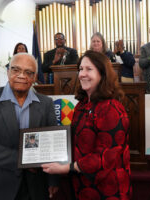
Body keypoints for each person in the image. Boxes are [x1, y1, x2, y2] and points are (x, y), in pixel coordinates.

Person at [41, 50, 132, 200]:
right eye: (81, 69)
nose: (82, 74)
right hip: (82, 185)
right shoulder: (82, 105)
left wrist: (66, 167)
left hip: (107, 189)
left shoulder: (112, 108)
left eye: (89, 69)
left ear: (102, 74)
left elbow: (105, 156)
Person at [0, 53, 59, 200]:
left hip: (34, 186)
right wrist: (24, 160)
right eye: (16, 70)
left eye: (28, 72)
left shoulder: (46, 103)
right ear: (8, 71)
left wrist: (53, 180)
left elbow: (52, 145)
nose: (22, 76)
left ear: (34, 77)